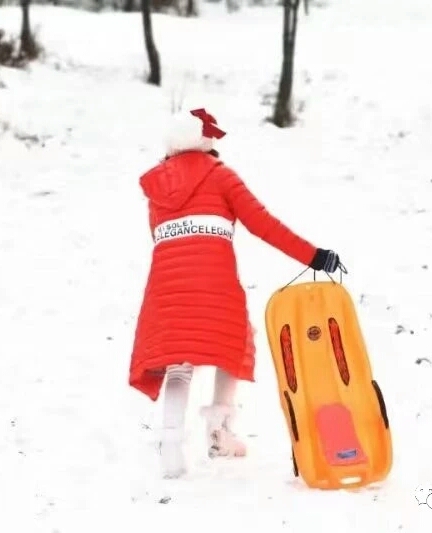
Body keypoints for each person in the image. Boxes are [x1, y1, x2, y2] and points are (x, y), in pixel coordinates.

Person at [128, 107, 343, 479]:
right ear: (205, 143)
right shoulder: (220, 176)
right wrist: (315, 256)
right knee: (235, 342)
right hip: (213, 280)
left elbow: (158, 237)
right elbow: (263, 224)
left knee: (180, 360)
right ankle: (219, 431)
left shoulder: (157, 188)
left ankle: (170, 443)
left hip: (165, 285)